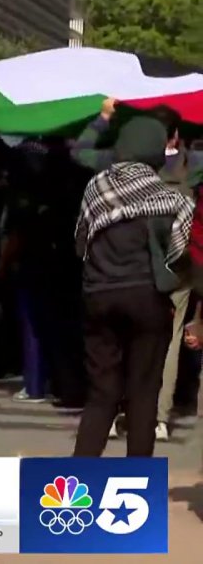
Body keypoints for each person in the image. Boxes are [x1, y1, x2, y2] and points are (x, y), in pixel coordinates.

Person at [74, 100, 201, 441]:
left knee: (101, 395)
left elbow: (80, 241)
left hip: (98, 295)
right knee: (143, 394)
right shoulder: (173, 198)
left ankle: (79, 482)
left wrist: (103, 118)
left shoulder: (96, 187)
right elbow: (177, 255)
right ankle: (137, 484)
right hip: (147, 297)